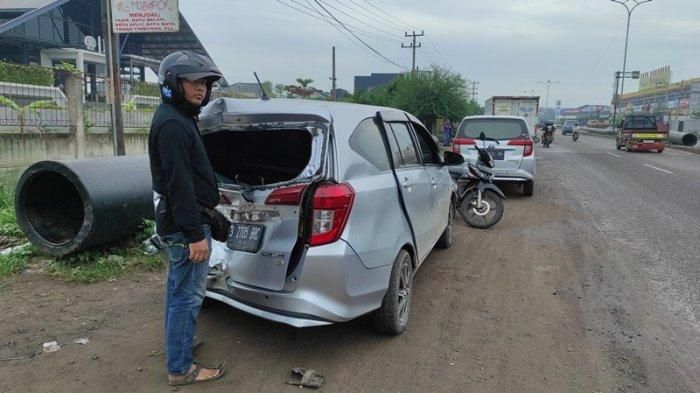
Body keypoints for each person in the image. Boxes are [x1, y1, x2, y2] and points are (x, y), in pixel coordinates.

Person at [148, 50, 225, 386]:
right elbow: (178, 185)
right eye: (193, 81)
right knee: (187, 296)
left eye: (205, 83)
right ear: (173, 82)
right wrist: (195, 235)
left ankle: (180, 346)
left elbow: (189, 174)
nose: (201, 89)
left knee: (177, 290)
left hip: (180, 221)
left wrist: (212, 192)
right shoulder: (172, 125)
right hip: (185, 227)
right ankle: (181, 368)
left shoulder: (178, 118)